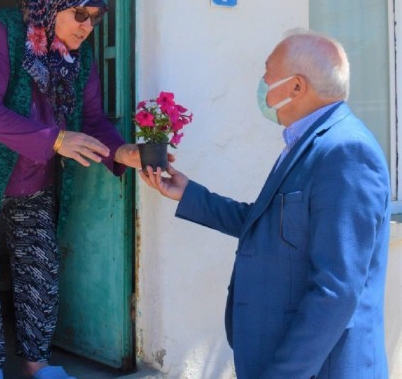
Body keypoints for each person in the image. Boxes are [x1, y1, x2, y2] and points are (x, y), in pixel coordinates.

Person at [140, 30, 390, 378]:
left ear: (297, 87)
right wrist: (189, 194)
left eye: (268, 72)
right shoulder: (308, 143)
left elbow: (335, 291)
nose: (262, 82)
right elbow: (267, 223)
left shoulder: (346, 152)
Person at [0, 0, 145, 378]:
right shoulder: (1, 32)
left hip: (33, 177)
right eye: (80, 15)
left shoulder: (78, 58)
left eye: (96, 19)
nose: (87, 27)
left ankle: (39, 365)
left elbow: (93, 120)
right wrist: (57, 138)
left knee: (40, 267)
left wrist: (121, 152)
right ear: (52, 7)